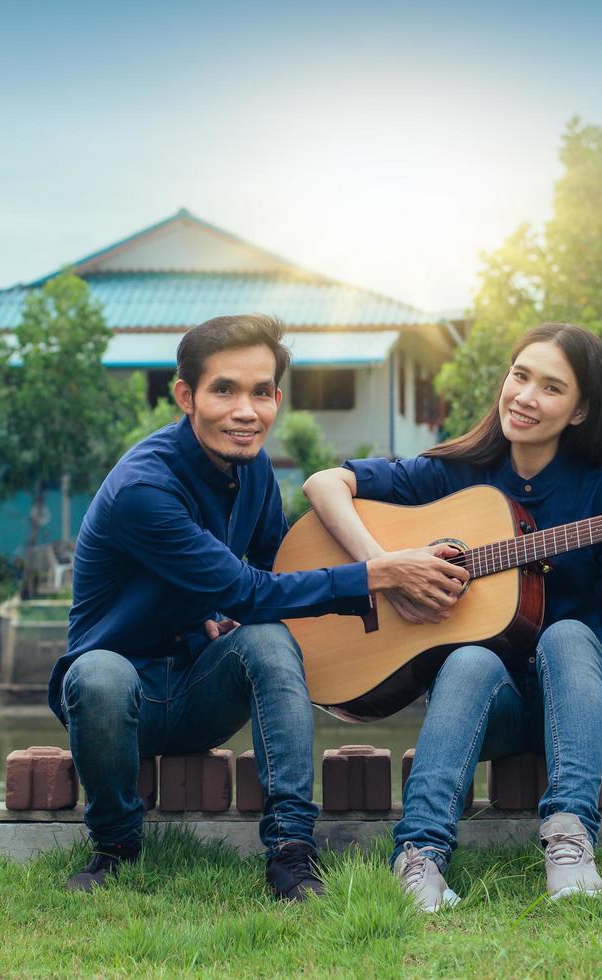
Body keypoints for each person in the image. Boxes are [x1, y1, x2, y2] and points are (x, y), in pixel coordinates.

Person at [51, 313, 467, 899]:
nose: (246, 411)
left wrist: (396, 599)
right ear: (186, 396)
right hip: (122, 701)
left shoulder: (254, 470)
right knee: (97, 674)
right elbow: (250, 591)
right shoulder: (144, 489)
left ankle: (292, 854)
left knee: (269, 640)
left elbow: (283, 575)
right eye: (224, 389)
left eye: (262, 392)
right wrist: (380, 571)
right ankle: (115, 848)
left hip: (201, 687)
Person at [302, 322, 602, 910]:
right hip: (487, 706)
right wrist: (384, 569)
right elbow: (325, 484)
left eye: (551, 387)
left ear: (579, 411)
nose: (525, 396)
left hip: (585, 700)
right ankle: (418, 859)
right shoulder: (454, 474)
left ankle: (571, 847)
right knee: (470, 657)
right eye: (520, 376)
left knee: (569, 635)